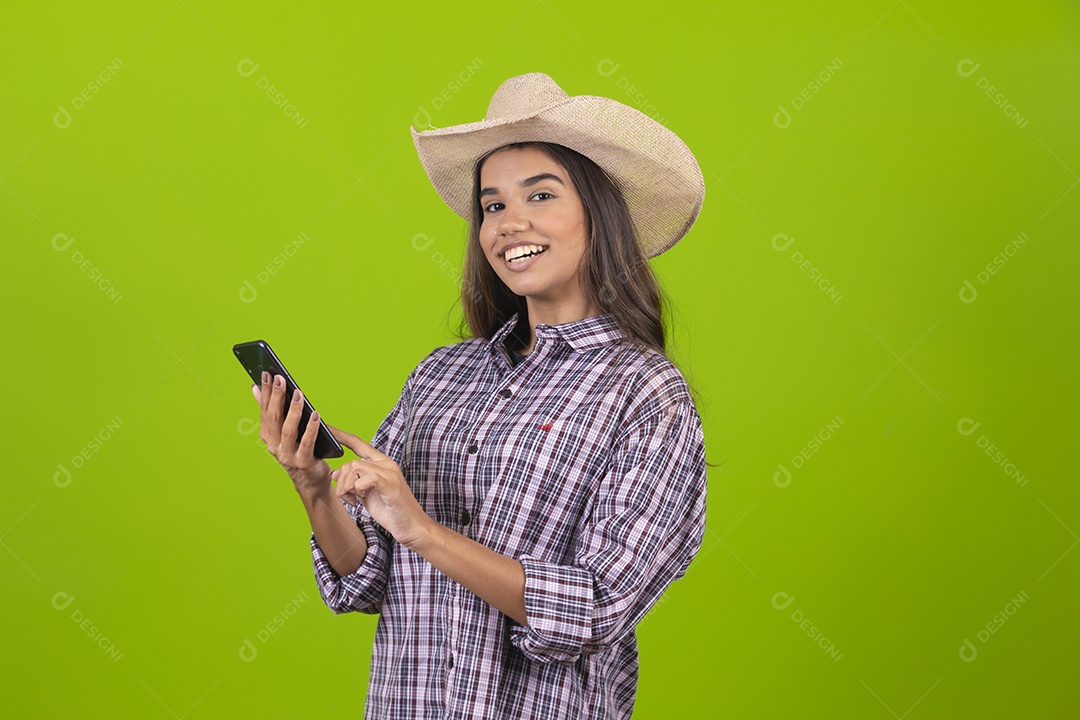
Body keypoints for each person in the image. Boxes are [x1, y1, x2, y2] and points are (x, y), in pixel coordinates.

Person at [252, 72, 710, 719]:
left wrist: (424, 530)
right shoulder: (441, 375)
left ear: (598, 213)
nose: (507, 223)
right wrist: (315, 488)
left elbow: (597, 606)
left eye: (540, 195)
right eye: (492, 205)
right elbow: (367, 577)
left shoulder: (644, 393)